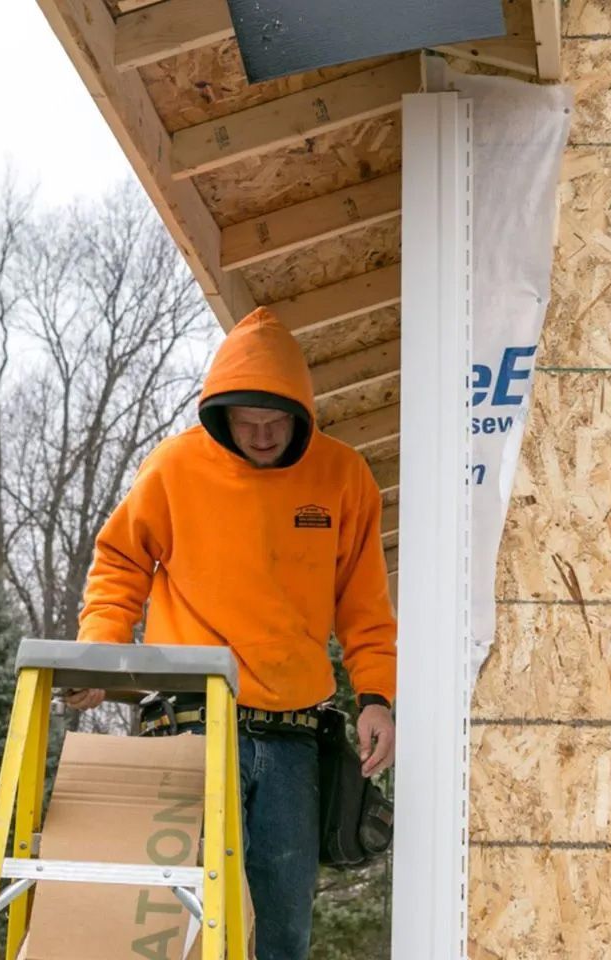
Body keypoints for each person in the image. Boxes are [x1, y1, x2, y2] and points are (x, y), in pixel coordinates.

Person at [68, 306, 397, 960]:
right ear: (221, 413)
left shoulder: (341, 478)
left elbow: (364, 602)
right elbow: (120, 563)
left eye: (278, 423)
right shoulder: (173, 468)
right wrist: (100, 654)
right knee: (181, 921)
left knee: (282, 928)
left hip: (295, 734)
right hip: (192, 720)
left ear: (302, 415)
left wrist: (377, 696)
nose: (265, 435)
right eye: (249, 423)